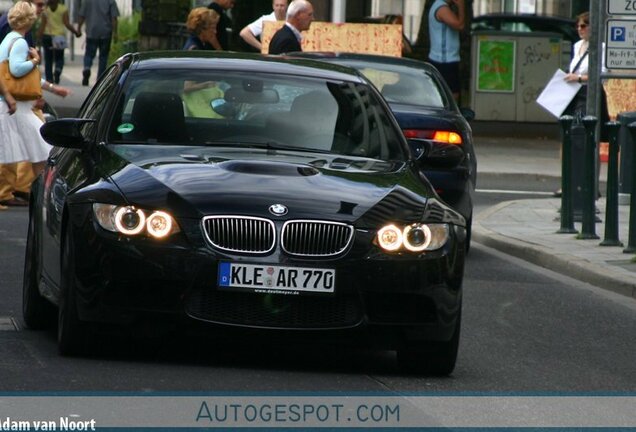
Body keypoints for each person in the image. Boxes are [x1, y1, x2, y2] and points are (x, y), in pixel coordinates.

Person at [0, 1, 52, 207]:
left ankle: (29, 191)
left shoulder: (8, 39)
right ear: (29, 20)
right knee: (41, 146)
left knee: (16, 147)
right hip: (14, 103)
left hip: (11, 101)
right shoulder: (20, 42)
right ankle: (41, 194)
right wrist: (35, 61)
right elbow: (17, 69)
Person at [428, 0, 465, 102]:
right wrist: (461, 6)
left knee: (446, 94)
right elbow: (459, 25)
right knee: (452, 95)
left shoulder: (441, 6)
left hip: (445, 58)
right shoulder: (442, 8)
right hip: (444, 60)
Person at [37, 0, 81, 84]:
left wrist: (39, 37)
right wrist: (76, 32)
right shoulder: (63, 9)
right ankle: (58, 69)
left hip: (47, 36)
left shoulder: (45, 10)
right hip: (59, 37)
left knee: (48, 58)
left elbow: (43, 25)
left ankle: (49, 79)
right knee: (59, 57)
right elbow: (67, 24)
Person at [77, 0, 119, 86]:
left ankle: (87, 68)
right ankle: (100, 79)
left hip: (91, 31)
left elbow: (82, 16)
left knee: (89, 54)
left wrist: (78, 28)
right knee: (103, 57)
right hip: (106, 32)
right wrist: (115, 33)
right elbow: (114, 18)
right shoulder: (110, 1)